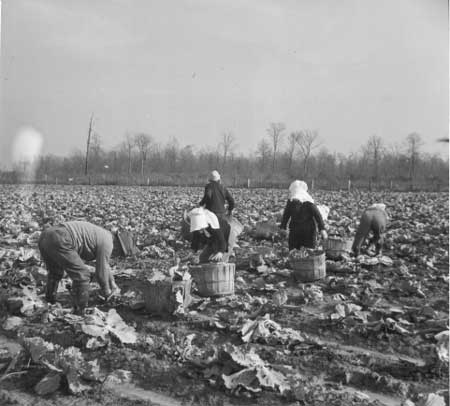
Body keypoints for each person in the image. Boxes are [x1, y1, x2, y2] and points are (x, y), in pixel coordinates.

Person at [38, 221, 137, 315]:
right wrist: (107, 292)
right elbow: (100, 273)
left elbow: (105, 266)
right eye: (120, 252)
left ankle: (49, 301)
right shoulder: (108, 244)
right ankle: (79, 312)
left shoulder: (105, 236)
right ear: (118, 245)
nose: (117, 255)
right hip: (61, 237)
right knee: (83, 275)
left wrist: (113, 284)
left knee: (56, 272)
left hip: (46, 235)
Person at [280, 180, 327, 250]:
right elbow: (286, 215)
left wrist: (322, 229)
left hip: (308, 231)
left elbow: (318, 216)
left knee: (309, 251)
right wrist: (283, 227)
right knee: (294, 251)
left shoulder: (308, 202)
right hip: (295, 230)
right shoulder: (291, 201)